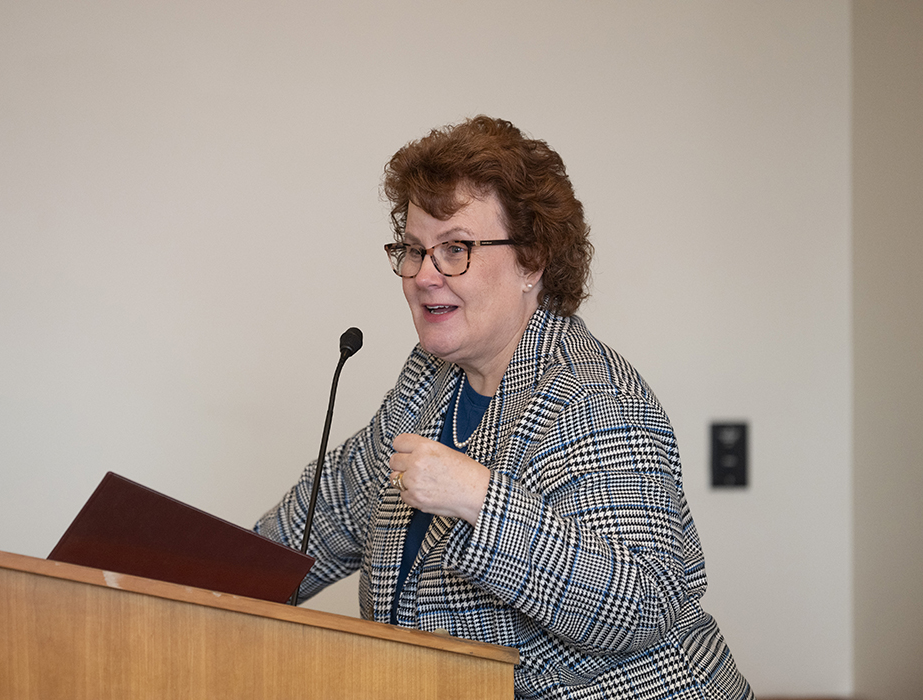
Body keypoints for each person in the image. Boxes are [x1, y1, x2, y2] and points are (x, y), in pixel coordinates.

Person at [256, 116, 753, 699]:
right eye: (413, 250)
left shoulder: (594, 398)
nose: (423, 275)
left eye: (456, 248)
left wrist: (480, 499)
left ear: (532, 260)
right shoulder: (429, 380)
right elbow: (330, 511)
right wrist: (193, 581)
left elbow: (646, 602)